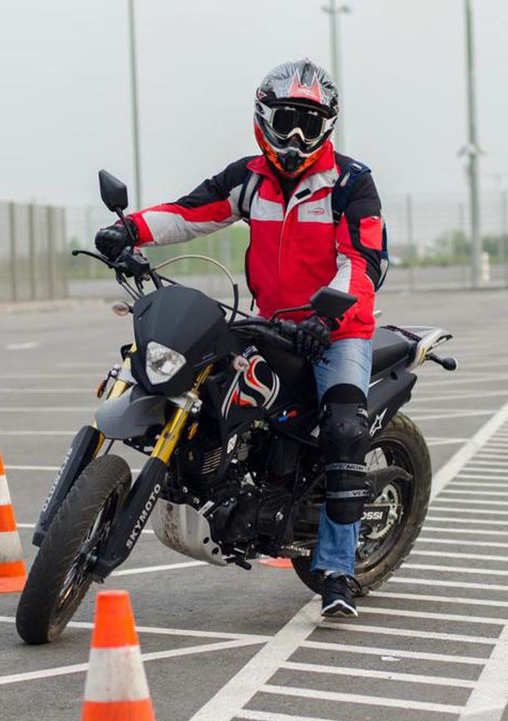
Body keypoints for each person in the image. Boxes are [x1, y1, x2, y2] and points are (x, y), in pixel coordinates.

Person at [94, 58, 384, 618]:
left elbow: (364, 261)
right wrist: (128, 230)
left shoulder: (351, 183)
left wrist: (328, 319)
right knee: (205, 384)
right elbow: (188, 213)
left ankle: (339, 571)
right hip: (269, 322)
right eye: (287, 119)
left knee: (344, 427)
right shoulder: (249, 178)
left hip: (337, 330)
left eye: (309, 121)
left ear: (328, 124)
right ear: (263, 117)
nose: (297, 134)